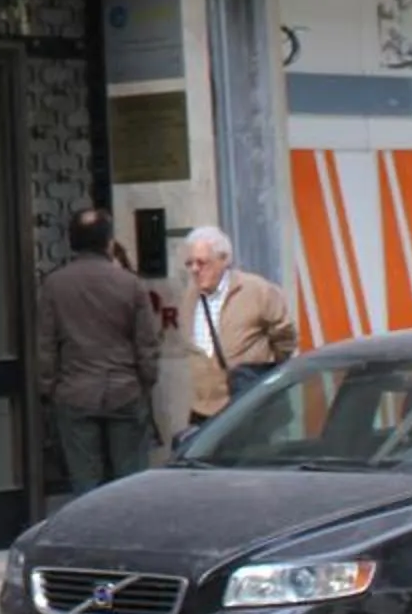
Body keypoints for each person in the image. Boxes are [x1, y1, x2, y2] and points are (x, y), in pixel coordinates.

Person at [32, 208, 160, 496]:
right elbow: (147, 344)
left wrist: (49, 389)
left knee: (85, 482)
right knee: (130, 482)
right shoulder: (130, 284)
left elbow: (46, 345)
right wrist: (145, 383)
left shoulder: (55, 285)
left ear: (73, 242)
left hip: (75, 392)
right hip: (124, 389)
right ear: (109, 242)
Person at [181, 224, 298, 428]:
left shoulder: (257, 291)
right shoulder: (189, 298)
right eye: (189, 264)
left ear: (224, 259)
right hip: (204, 411)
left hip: (248, 408)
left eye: (202, 262)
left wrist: (266, 371)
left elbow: (285, 338)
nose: (195, 270)